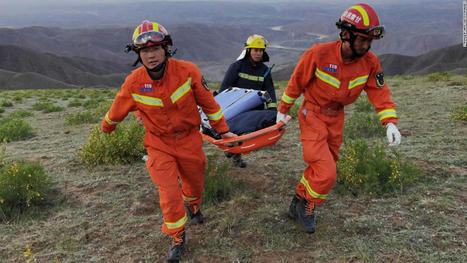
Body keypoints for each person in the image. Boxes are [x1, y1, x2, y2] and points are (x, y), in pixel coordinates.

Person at [101, 20, 236, 262]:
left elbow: (209, 104)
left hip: (189, 140)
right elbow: (117, 109)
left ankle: (193, 206)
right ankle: (177, 236)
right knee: (169, 192)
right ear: (138, 54)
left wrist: (223, 131)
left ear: (166, 49)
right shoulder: (134, 82)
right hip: (158, 144)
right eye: (144, 51)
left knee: (194, 183)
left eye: (155, 49)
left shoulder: (188, 71)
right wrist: (107, 127)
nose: (150, 55)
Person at [276, 3, 402, 233]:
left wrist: (390, 122)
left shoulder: (370, 62)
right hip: (312, 114)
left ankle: (296, 202)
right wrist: (282, 111)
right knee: (326, 173)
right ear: (345, 34)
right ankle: (308, 206)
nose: (366, 46)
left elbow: (379, 92)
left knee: (321, 167)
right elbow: (296, 82)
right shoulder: (318, 54)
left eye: (369, 41)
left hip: (336, 119)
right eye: (362, 39)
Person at [218, 34, 278, 168]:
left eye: (261, 50)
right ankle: (233, 153)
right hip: (236, 108)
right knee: (235, 132)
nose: (258, 53)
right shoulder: (237, 66)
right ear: (248, 50)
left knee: (245, 133)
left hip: (254, 109)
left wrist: (272, 110)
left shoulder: (265, 71)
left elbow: (270, 92)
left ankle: (236, 154)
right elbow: (225, 88)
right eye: (255, 50)